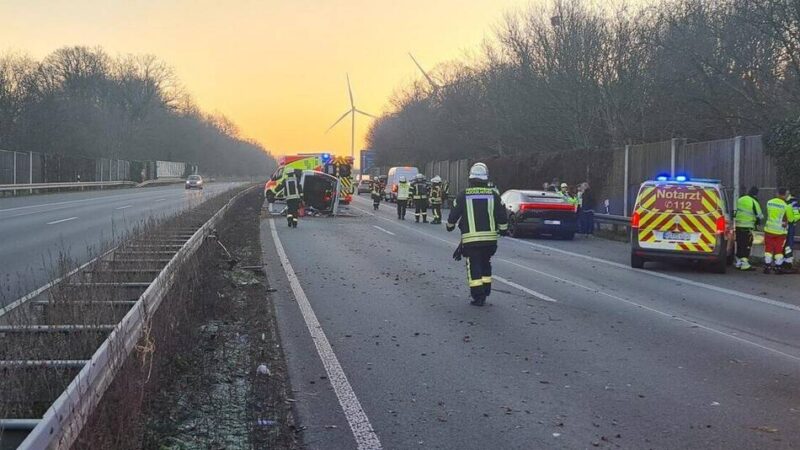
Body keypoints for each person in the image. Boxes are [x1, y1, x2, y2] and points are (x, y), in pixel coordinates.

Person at [446, 163, 508, 306]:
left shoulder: (463, 195)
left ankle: (478, 296)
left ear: (470, 179)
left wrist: (450, 226)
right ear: (486, 178)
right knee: (486, 263)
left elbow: (453, 215)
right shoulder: (494, 195)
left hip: (471, 240)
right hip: (490, 241)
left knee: (474, 266)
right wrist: (503, 230)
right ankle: (486, 289)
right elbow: (501, 215)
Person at [763, 187, 796, 274]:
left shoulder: (769, 202)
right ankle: (778, 267)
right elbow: (791, 219)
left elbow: (766, 214)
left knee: (768, 248)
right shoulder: (787, 206)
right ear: (785, 195)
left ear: (777, 193)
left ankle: (767, 266)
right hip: (780, 232)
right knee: (779, 249)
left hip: (769, 229)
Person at [734, 186, 763, 271]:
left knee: (740, 244)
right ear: (755, 194)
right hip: (747, 227)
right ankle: (745, 264)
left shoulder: (740, 199)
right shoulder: (754, 201)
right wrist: (758, 222)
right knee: (747, 245)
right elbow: (759, 215)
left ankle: (738, 262)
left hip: (738, 225)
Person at [786, 190, 799, 269]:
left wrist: (792, 221)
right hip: (782, 225)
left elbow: (797, 215)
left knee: (789, 243)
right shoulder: (782, 201)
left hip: (790, 225)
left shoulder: (793, 202)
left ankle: (788, 261)